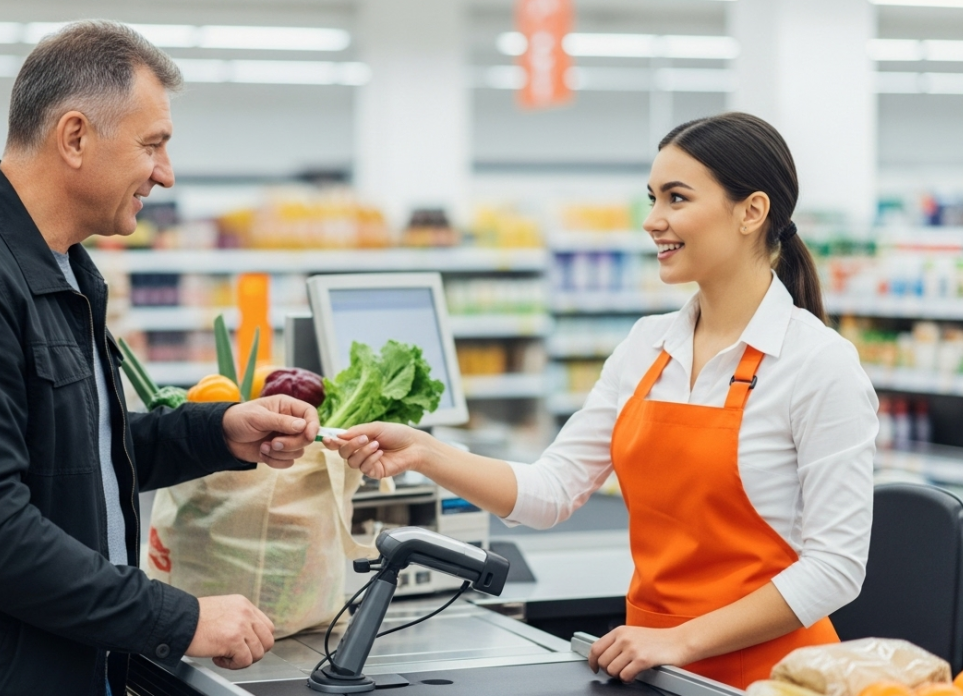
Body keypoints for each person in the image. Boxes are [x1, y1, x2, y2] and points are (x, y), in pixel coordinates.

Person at [0, 21, 320, 696]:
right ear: (74, 137)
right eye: (152, 145)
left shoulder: (61, 269)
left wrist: (217, 432)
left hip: (56, 661)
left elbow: (78, 456)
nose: (165, 172)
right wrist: (175, 617)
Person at [326, 112, 878, 690]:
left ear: (752, 211)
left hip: (771, 678)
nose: (652, 221)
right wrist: (423, 452)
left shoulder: (818, 364)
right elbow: (552, 493)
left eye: (676, 198)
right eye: (652, 197)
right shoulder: (647, 345)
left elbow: (835, 568)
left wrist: (680, 639)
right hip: (654, 668)